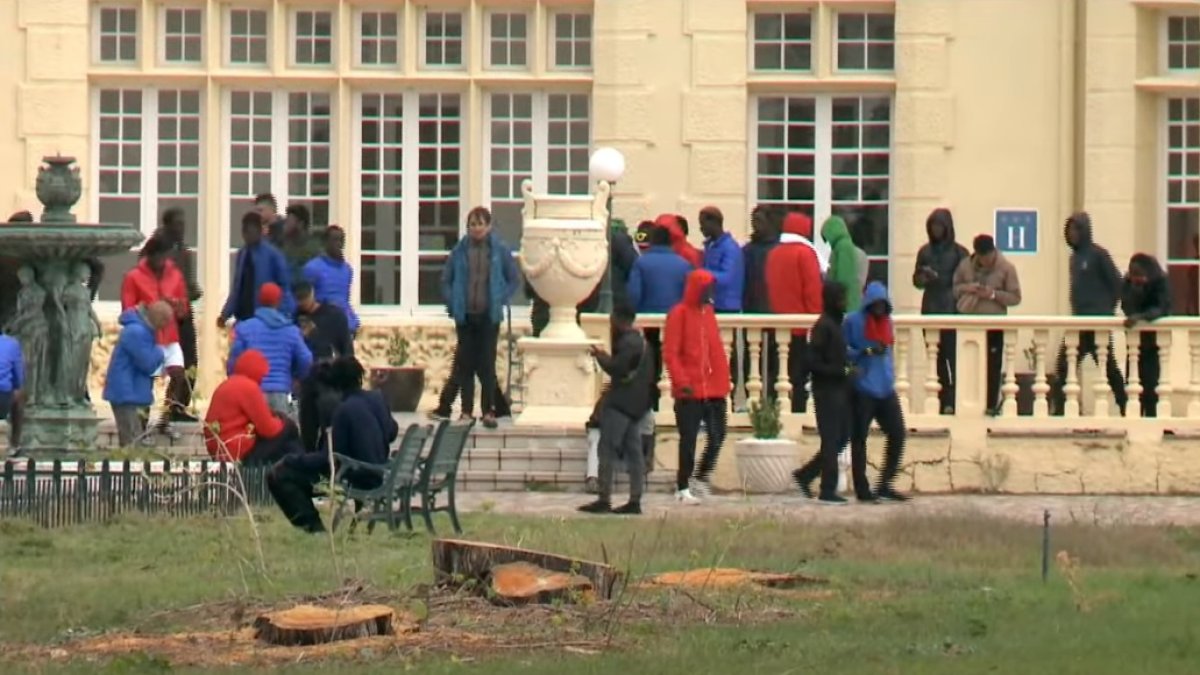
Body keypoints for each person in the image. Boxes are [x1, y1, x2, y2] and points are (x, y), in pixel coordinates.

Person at [267, 357, 399, 533]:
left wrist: (293, 460)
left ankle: (313, 526)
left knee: (279, 474)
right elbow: (392, 432)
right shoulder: (377, 399)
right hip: (378, 471)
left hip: (356, 475)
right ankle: (314, 525)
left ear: (336, 382)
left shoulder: (344, 410)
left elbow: (328, 458)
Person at [439, 207, 519, 429]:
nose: (476, 228)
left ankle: (489, 410)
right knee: (465, 364)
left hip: (488, 315)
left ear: (489, 226)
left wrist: (500, 297)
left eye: (480, 224)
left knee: (486, 364)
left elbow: (513, 279)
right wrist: (452, 302)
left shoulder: (498, 250)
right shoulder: (459, 250)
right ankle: (466, 411)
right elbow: (446, 279)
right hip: (465, 316)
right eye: (472, 224)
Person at [578, 304, 655, 515]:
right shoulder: (643, 342)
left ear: (619, 320)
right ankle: (635, 499)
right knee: (634, 452)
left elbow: (617, 368)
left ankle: (604, 499)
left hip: (620, 404)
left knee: (606, 450)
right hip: (636, 406)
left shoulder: (627, 342)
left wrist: (600, 356)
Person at [664, 269, 730, 504]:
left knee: (718, 434)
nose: (711, 294)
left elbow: (716, 348)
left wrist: (723, 379)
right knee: (688, 439)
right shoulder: (678, 314)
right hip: (689, 390)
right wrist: (682, 383)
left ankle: (700, 477)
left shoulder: (708, 313)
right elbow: (671, 353)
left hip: (713, 388)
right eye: (707, 289)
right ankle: (683, 486)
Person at [1052, 212, 1127, 416]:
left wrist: (1106, 310)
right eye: (1069, 230)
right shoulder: (1074, 258)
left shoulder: (1098, 255)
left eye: (1075, 229)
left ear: (1084, 230)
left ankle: (1126, 405)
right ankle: (1058, 410)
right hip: (1078, 322)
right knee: (1064, 365)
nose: (1072, 234)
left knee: (1108, 367)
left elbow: (1117, 283)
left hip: (1096, 323)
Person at [843, 282, 908, 502]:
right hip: (862, 388)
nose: (879, 309)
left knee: (897, 433)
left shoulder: (888, 323)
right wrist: (865, 351)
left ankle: (885, 484)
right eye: (875, 305)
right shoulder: (853, 321)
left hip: (885, 387)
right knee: (859, 439)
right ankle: (862, 489)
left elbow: (889, 352)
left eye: (883, 305)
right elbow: (843, 350)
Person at [120, 236, 189, 439]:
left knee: (178, 375)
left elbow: (184, 308)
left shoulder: (175, 275)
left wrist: (176, 304)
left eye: (166, 256)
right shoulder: (133, 277)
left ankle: (164, 421)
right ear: (150, 255)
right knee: (146, 381)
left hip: (170, 334)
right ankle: (142, 426)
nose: (163, 260)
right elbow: (127, 310)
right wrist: (150, 310)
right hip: (147, 336)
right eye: (159, 256)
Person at [792, 281, 852, 506]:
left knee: (842, 436)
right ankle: (828, 489)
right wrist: (839, 371)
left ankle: (805, 475)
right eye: (841, 299)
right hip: (826, 390)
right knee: (831, 438)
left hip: (839, 389)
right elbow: (812, 362)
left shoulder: (836, 324)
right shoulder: (823, 326)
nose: (844, 303)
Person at [952, 235, 1022, 413]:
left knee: (992, 366)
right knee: (969, 366)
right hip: (969, 324)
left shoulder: (1006, 268)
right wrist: (968, 288)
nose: (986, 261)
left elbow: (1015, 297)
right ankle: (967, 404)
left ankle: (991, 405)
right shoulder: (965, 266)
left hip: (994, 324)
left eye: (989, 256)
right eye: (982, 257)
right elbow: (954, 289)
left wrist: (992, 295)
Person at [627, 223, 692, 412]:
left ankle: (652, 402)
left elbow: (634, 294)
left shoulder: (642, 262)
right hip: (676, 323)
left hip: (648, 322)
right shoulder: (683, 264)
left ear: (653, 240)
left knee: (650, 365)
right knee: (674, 363)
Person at [765, 212, 825, 412]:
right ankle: (798, 411)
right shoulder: (805, 253)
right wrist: (817, 319)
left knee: (777, 373)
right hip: (800, 326)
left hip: (778, 322)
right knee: (798, 376)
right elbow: (812, 290)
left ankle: (773, 411)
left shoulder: (774, 253)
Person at [912, 208, 968, 414]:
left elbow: (966, 281)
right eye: (933, 226)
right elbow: (916, 281)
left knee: (954, 359)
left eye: (939, 226)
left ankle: (955, 400)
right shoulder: (924, 252)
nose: (936, 230)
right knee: (936, 359)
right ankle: (943, 399)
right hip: (930, 308)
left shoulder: (959, 252)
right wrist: (923, 277)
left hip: (952, 310)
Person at [228, 283, 313, 416]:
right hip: (281, 391)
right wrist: (298, 378)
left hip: (251, 393)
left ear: (259, 300)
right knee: (279, 433)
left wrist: (235, 382)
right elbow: (306, 359)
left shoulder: (244, 328)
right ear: (278, 302)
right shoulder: (291, 331)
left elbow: (233, 361)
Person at [204, 349, 302, 464]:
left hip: (220, 449)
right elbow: (269, 429)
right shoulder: (249, 387)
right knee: (289, 431)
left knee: (288, 446)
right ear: (256, 371)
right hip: (239, 450)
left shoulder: (226, 385)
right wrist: (285, 422)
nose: (262, 380)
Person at [294, 280, 353, 453]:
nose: (302, 305)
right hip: (308, 380)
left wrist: (345, 379)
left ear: (312, 295)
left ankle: (327, 458)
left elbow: (346, 350)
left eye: (305, 299)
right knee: (308, 428)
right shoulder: (294, 317)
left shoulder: (334, 316)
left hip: (330, 380)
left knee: (330, 427)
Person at [103, 302, 172, 448]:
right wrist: (161, 352)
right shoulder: (136, 332)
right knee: (131, 441)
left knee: (135, 439)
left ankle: (131, 467)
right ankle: (129, 469)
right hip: (126, 394)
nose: (166, 327)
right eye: (166, 322)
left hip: (134, 392)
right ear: (159, 319)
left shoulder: (144, 331)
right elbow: (147, 362)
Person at [157, 208, 202, 421]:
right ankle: (169, 407)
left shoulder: (185, 252)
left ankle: (177, 406)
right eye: (178, 223)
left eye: (184, 223)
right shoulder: (158, 252)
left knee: (191, 362)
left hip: (184, 314)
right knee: (171, 363)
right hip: (166, 316)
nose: (182, 228)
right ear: (167, 226)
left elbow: (189, 285)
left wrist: (193, 291)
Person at [221, 211, 294, 327]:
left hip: (266, 319)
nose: (248, 236)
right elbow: (237, 288)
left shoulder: (273, 255)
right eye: (245, 232)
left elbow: (285, 288)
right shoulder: (242, 254)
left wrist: (284, 316)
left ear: (260, 232)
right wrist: (225, 314)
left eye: (251, 232)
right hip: (243, 318)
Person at [1121, 253, 1171, 418]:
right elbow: (1126, 306)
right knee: (1133, 383)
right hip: (1135, 342)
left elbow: (1162, 308)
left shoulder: (1161, 281)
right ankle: (1133, 419)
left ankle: (1153, 420)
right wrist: (1135, 291)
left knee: (1151, 384)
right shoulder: (1128, 282)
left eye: (1140, 275)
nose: (1136, 278)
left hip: (1155, 341)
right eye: (1133, 275)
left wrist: (1141, 317)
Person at [302, 225, 360, 334]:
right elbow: (304, 301)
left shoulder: (347, 269)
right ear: (325, 242)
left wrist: (353, 322)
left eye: (341, 240)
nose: (338, 244)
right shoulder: (312, 268)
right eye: (334, 240)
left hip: (346, 327)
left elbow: (345, 300)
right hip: (322, 326)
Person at [699, 207, 744, 313]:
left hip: (727, 306)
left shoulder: (730, 247)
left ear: (714, 222)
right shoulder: (710, 246)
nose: (701, 228)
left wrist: (702, 275)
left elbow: (728, 276)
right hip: (713, 304)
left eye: (703, 223)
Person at [821, 215, 867, 311]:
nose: (828, 243)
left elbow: (844, 277)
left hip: (845, 306)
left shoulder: (843, 247)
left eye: (826, 238)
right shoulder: (842, 246)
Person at [281, 204, 325, 287]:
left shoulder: (315, 249)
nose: (285, 225)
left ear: (300, 224)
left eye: (289, 221)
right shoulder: (285, 247)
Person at [0, 329, 24, 455]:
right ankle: (15, 444)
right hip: (3, 397)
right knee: (19, 397)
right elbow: (18, 377)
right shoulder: (12, 344)